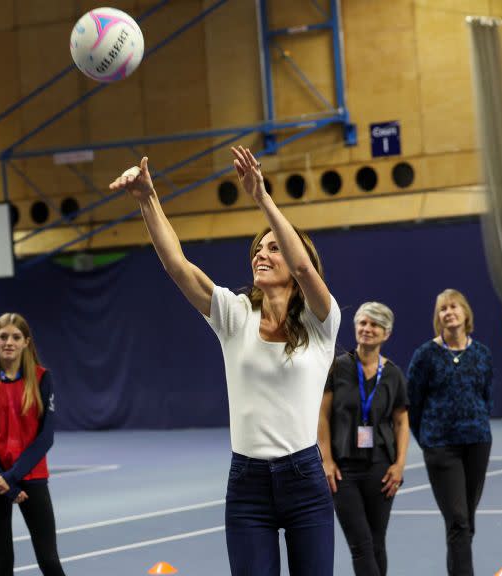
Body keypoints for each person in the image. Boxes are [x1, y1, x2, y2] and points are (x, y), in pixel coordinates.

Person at [110, 148, 340, 576]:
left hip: (304, 479)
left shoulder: (321, 322)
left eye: (274, 248)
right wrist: (147, 198)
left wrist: (262, 197)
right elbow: (178, 266)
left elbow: (307, 270)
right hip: (248, 484)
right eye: (257, 248)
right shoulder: (234, 315)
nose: (262, 254)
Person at [0, 313, 65, 576]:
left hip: (30, 477)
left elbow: (46, 437)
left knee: (48, 560)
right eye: (3, 336)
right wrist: (2, 480)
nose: (9, 342)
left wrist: (13, 477)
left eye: (15, 337)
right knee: (3, 562)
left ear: (26, 342)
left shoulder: (43, 379)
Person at [318, 302, 409, 576]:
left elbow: (401, 421)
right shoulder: (337, 367)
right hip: (343, 470)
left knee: (377, 542)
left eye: (375, 325)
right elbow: (321, 416)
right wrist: (327, 460)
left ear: (386, 334)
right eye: (363, 323)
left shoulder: (392, 373)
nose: (367, 329)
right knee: (360, 543)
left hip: (381, 467)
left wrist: (400, 464)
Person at [407, 289, 494, 576]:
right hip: (440, 447)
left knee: (465, 521)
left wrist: (478, 424)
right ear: (438, 317)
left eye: (454, 307)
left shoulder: (481, 354)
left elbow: (486, 396)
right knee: (457, 518)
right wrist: (428, 440)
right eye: (443, 309)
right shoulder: (425, 356)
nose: (449, 312)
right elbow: (414, 402)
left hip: (477, 443)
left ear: (466, 313)